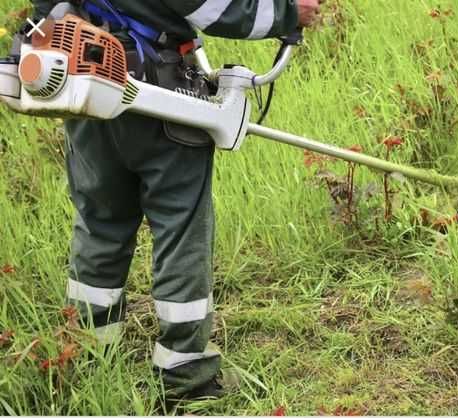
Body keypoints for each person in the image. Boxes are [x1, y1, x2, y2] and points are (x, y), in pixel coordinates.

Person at [29, 0, 323, 400]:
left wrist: (89, 35)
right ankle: (186, 377)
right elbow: (217, 9)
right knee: (181, 230)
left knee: (100, 225)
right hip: (159, 96)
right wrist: (289, 13)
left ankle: (86, 355)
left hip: (87, 89)